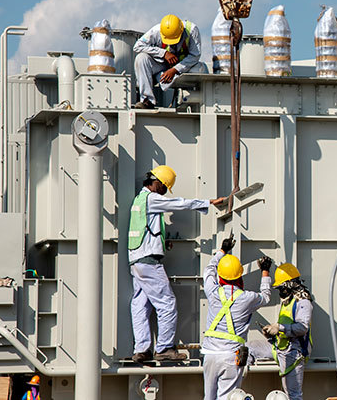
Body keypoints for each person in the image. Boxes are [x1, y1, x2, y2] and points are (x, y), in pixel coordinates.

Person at [129, 165, 224, 363]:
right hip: (149, 262)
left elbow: (147, 228)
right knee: (167, 303)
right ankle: (164, 348)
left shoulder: (139, 199)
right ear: (158, 184)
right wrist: (207, 202)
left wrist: (162, 241)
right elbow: (178, 204)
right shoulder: (152, 199)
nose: (164, 193)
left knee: (140, 305)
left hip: (137, 261)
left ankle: (142, 349)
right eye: (164, 188)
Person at [201, 233, 272, 400]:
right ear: (240, 275)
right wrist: (265, 271)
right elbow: (266, 296)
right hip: (231, 357)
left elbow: (209, 270)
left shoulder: (212, 291)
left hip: (210, 354)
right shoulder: (247, 298)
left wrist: (222, 251)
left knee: (208, 397)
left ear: (221, 276)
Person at [253, 263, 313, 400]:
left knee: (293, 395)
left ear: (289, 284)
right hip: (280, 347)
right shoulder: (289, 300)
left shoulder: (303, 301)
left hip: (294, 352)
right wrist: (271, 333)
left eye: (281, 287)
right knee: (249, 349)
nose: (280, 291)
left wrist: (279, 328)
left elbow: (303, 328)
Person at [133, 14, 202, 109]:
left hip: (184, 67)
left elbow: (195, 56)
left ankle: (191, 103)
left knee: (200, 68)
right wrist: (163, 53)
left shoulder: (192, 30)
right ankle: (147, 100)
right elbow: (137, 46)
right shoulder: (156, 31)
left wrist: (175, 69)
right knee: (141, 58)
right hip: (161, 64)